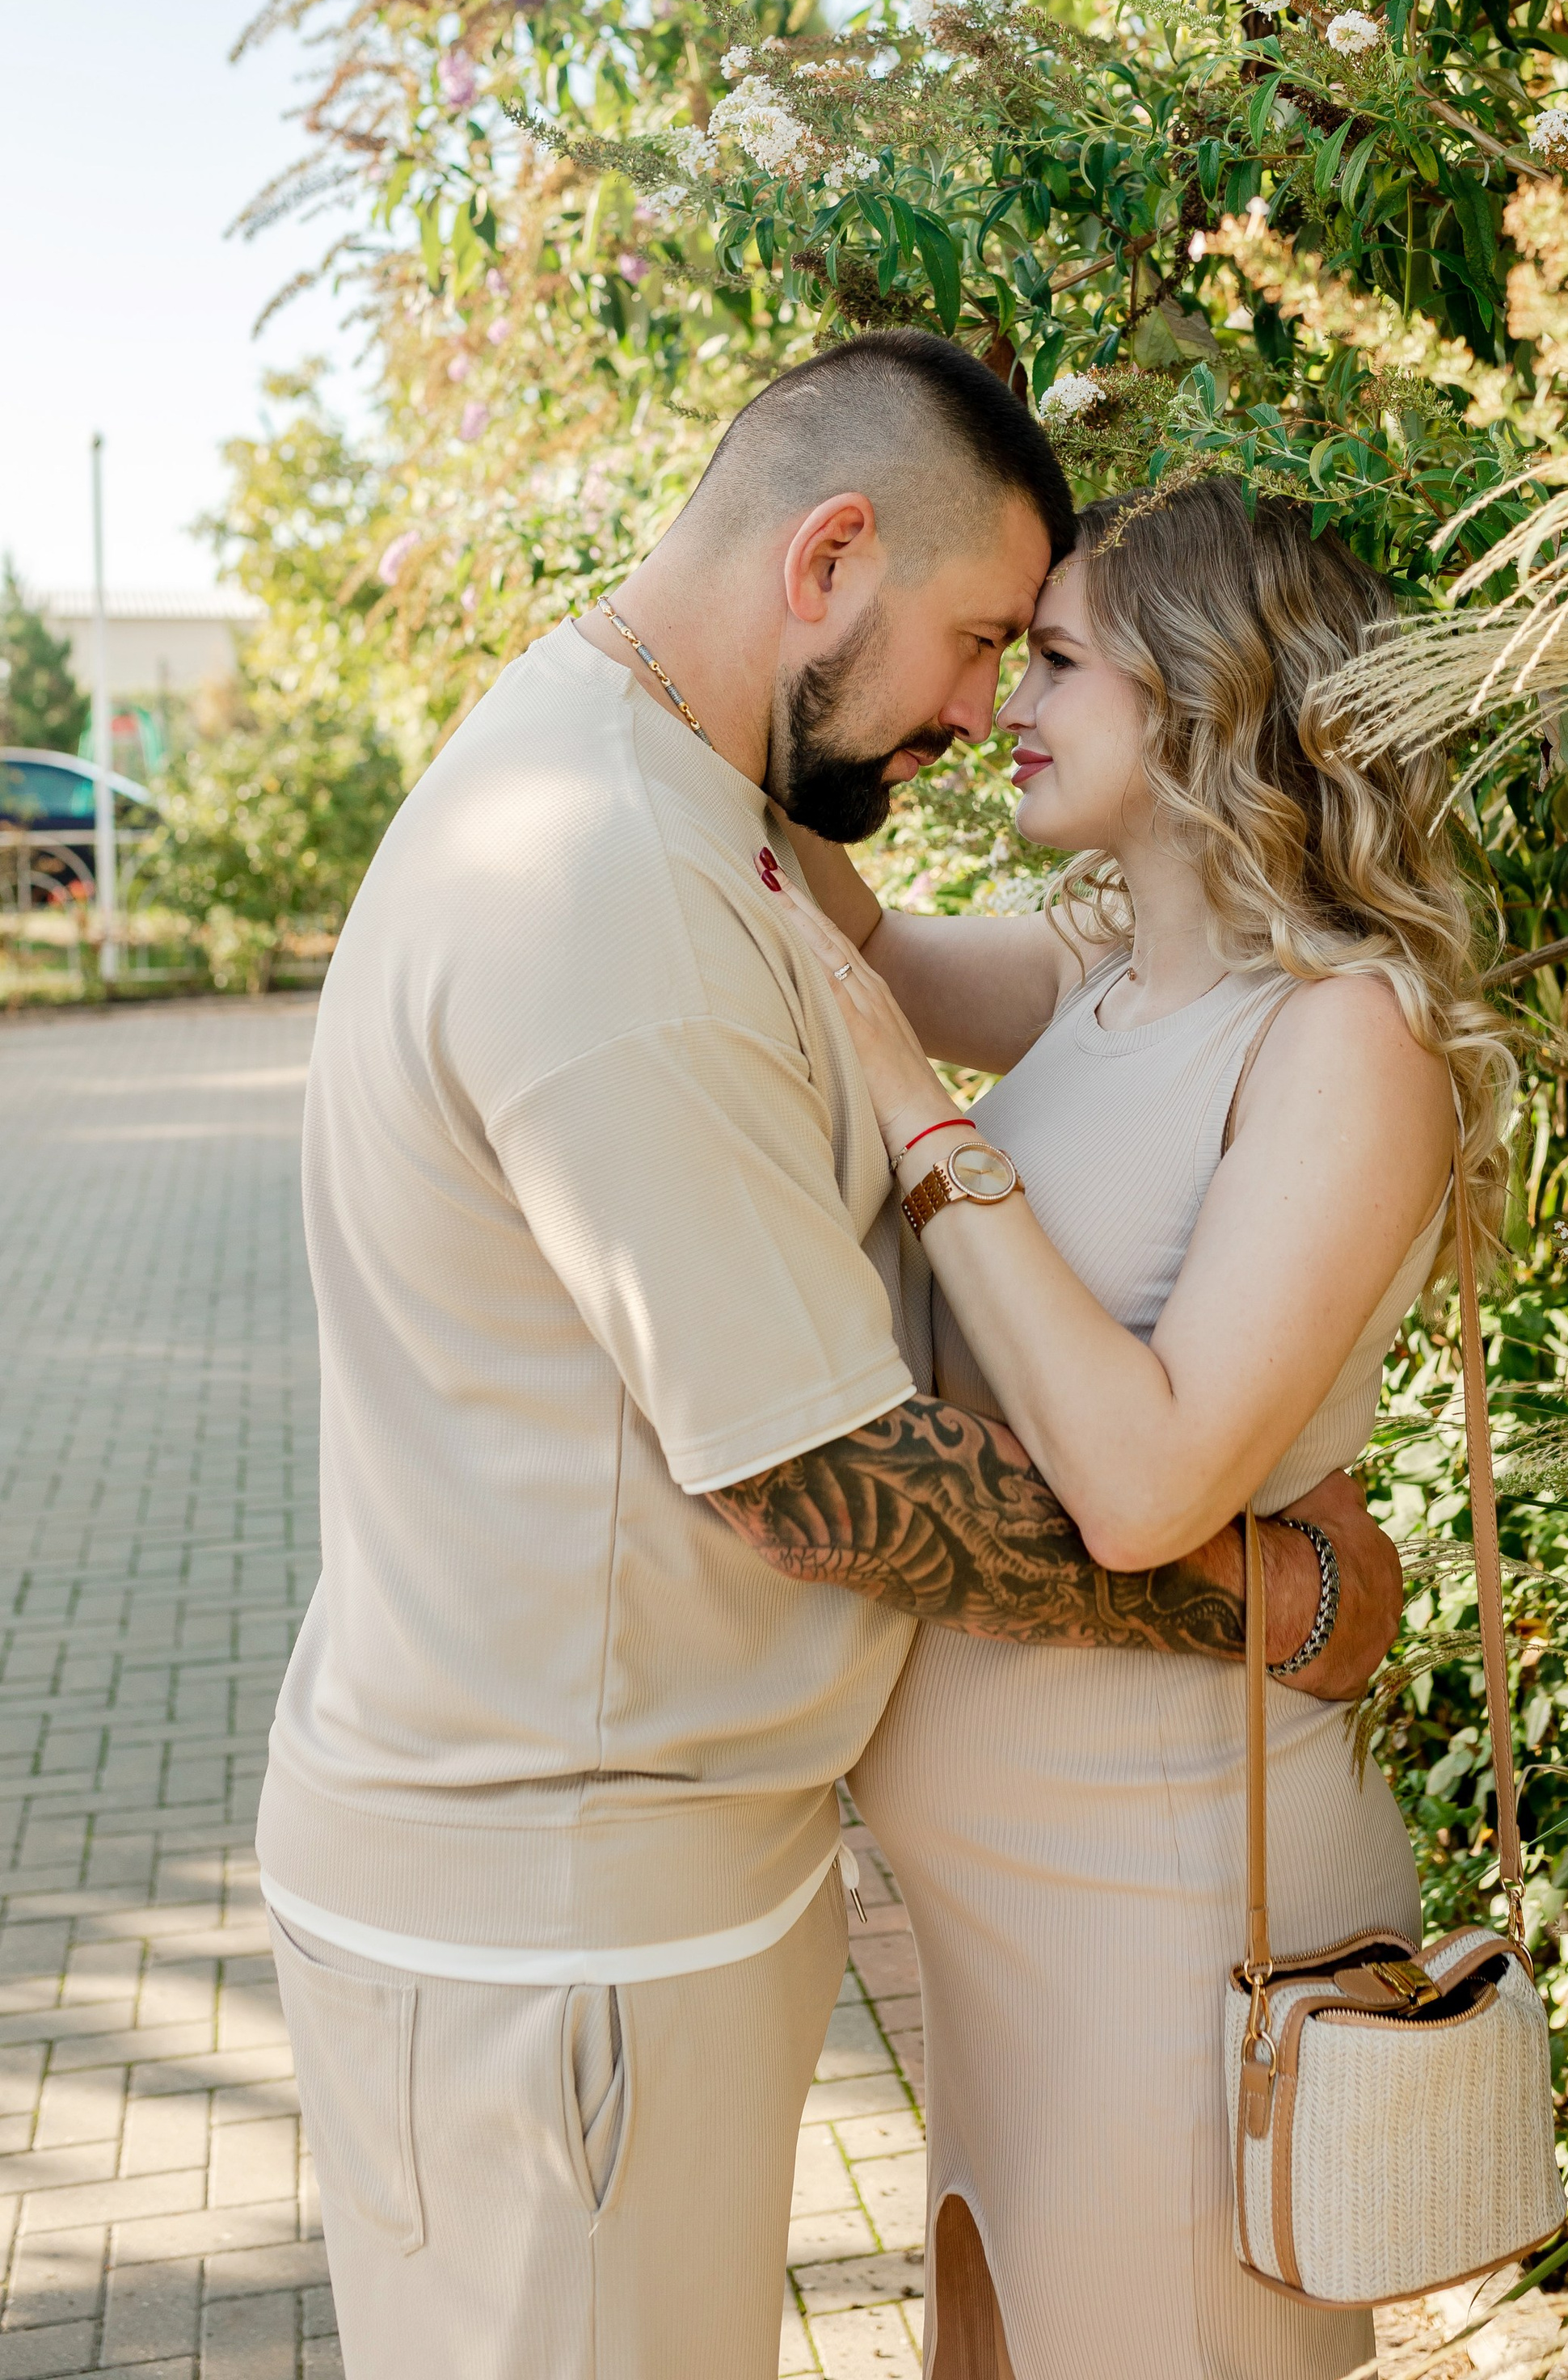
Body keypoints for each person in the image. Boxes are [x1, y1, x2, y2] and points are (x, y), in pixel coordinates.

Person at [255, 333, 1396, 2380]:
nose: (982, 708)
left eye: (1044, 661)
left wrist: (709, 712)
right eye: (983, 641)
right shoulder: (620, 871)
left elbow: (851, 939)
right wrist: (1280, 1592)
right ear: (827, 556)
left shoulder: (654, 803)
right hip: (579, 1922)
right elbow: (806, 1477)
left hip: (1039, 1903)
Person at [769, 470, 1514, 2380]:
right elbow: (830, 911)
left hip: (1174, 1912)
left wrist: (923, 1126)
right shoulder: (1098, 978)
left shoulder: (1343, 1037)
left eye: (1055, 662)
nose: (1002, 701)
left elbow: (1145, 1484)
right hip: (1002, 1906)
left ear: (1202, 695)